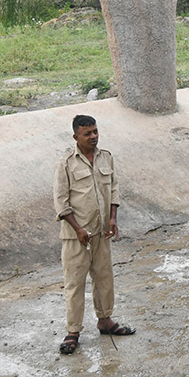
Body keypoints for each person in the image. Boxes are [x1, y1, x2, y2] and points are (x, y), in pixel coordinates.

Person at [53, 114, 136, 354]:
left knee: (104, 278)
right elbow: (61, 202)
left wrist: (112, 218)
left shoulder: (106, 157)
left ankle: (105, 320)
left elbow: (114, 189)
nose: (93, 137)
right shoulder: (66, 164)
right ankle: (73, 332)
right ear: (75, 137)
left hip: (102, 233)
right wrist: (78, 229)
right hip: (76, 236)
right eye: (87, 133)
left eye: (95, 132)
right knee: (75, 283)